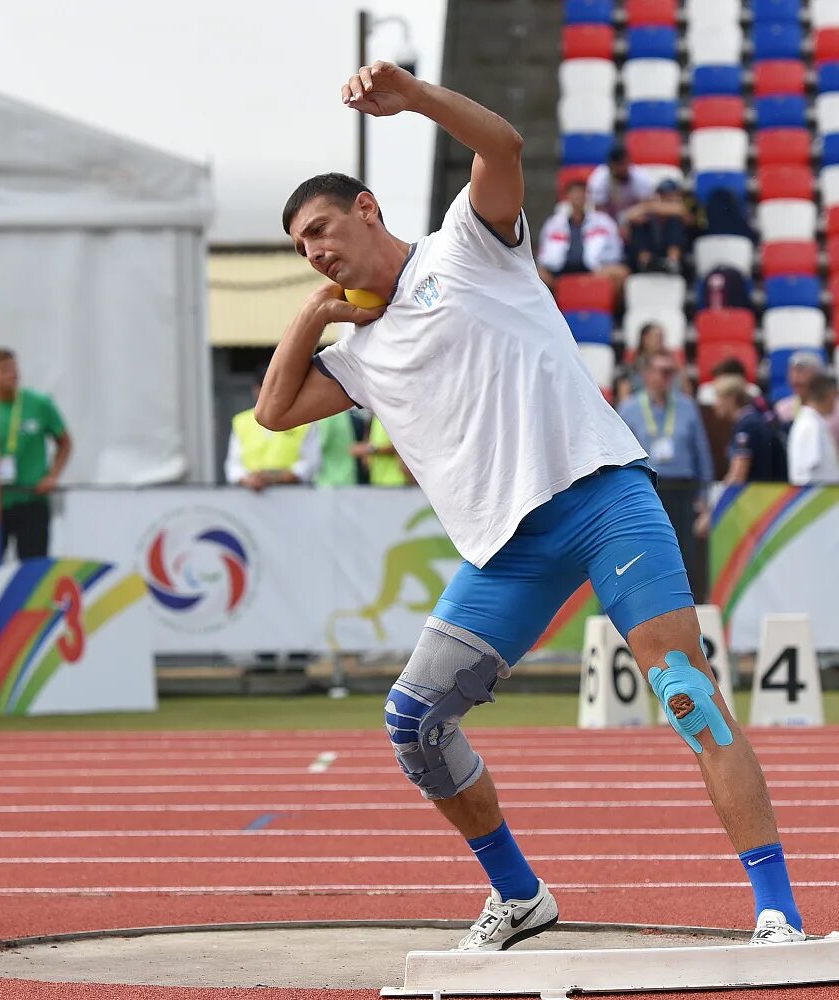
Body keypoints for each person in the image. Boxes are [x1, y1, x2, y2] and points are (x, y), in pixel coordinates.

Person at [258, 60, 805, 951]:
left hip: (601, 498)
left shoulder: (464, 244)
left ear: (366, 207)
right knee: (413, 724)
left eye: (321, 229)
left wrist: (417, 98)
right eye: (300, 246)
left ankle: (776, 910)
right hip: (504, 550)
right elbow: (274, 412)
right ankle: (519, 895)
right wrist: (315, 313)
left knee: (684, 692)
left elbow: (503, 145)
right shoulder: (356, 354)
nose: (315, 249)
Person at [618, 350, 714, 579]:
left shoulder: (687, 406)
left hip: (684, 491)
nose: (667, 377)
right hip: (647, 490)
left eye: (671, 372)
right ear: (647, 374)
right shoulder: (629, 408)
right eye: (662, 372)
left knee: (685, 556)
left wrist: (705, 497)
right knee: (647, 555)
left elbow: (702, 453)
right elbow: (620, 457)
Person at [0, 348, 71, 560]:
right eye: (5, 369)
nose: (13, 374)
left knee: (32, 568)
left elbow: (65, 443)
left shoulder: (39, 403)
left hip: (32, 499)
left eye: (14, 368)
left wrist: (52, 475)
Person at [224, 365, 321, 489]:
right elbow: (233, 466)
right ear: (255, 390)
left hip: (293, 496)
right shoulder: (241, 422)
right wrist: (248, 480)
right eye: (264, 388)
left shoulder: (304, 421)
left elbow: (311, 463)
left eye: (275, 388)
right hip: (251, 497)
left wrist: (276, 479)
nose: (270, 394)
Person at [775, 353, 839, 483]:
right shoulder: (785, 410)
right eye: (793, 372)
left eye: (802, 372)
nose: (796, 377)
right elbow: (807, 471)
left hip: (837, 487)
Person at [536, 181, 628, 301]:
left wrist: (602, 265)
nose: (578, 196)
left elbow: (615, 250)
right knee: (536, 275)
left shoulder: (604, 221)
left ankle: (612, 315)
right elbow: (543, 253)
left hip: (594, 269)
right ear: (567, 197)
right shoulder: (553, 224)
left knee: (621, 273)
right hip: (559, 270)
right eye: (575, 193)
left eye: (581, 193)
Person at [713, 375, 787, 486]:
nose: (715, 404)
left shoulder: (747, 426)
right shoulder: (751, 420)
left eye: (718, 398)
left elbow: (738, 476)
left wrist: (719, 498)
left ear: (731, 399)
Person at [787, 373, 839, 486]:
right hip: (819, 498)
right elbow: (807, 474)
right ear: (830, 396)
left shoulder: (814, 423)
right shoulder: (810, 426)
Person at [623, 178, 687, 275]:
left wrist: (649, 207)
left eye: (670, 194)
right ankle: (645, 263)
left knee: (674, 222)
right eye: (663, 194)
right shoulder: (649, 217)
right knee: (640, 224)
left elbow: (682, 210)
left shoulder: (683, 209)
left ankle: (672, 262)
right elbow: (628, 215)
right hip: (652, 251)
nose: (667, 198)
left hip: (677, 254)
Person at [586, 146, 655, 223]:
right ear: (610, 166)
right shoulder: (599, 179)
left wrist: (625, 218)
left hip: (633, 219)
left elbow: (647, 206)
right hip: (609, 220)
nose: (621, 168)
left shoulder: (641, 178)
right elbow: (600, 212)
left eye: (623, 164)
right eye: (617, 165)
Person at [351, 416, 413, 486]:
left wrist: (370, 449)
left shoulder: (393, 415)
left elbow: (401, 445)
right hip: (378, 480)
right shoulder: (375, 416)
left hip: (396, 480)